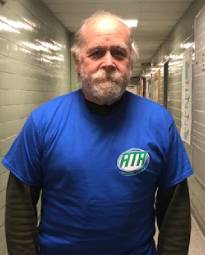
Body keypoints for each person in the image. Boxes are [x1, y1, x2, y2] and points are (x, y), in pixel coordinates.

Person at [2, 11, 192, 255]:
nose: (109, 62)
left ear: (130, 63)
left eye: (119, 53)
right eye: (96, 52)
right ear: (79, 61)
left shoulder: (159, 122)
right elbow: (20, 208)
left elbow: (175, 212)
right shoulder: (43, 121)